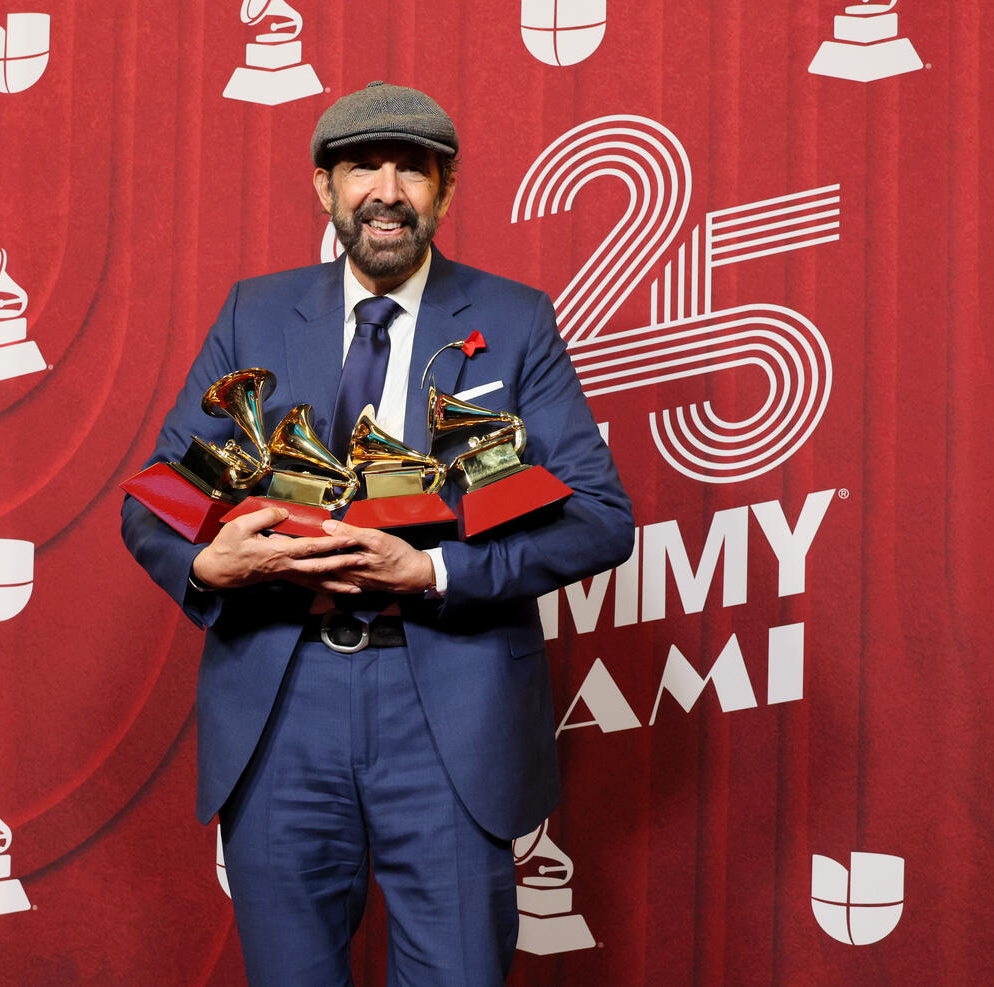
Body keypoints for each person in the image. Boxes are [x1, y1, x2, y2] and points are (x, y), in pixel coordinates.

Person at [121, 81, 634, 986]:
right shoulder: (254, 310)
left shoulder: (515, 321)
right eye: (364, 166)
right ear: (325, 187)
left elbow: (600, 519)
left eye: (414, 169)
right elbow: (155, 497)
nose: (388, 190)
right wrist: (207, 560)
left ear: (447, 189)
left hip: (447, 705)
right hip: (283, 703)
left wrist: (433, 569)